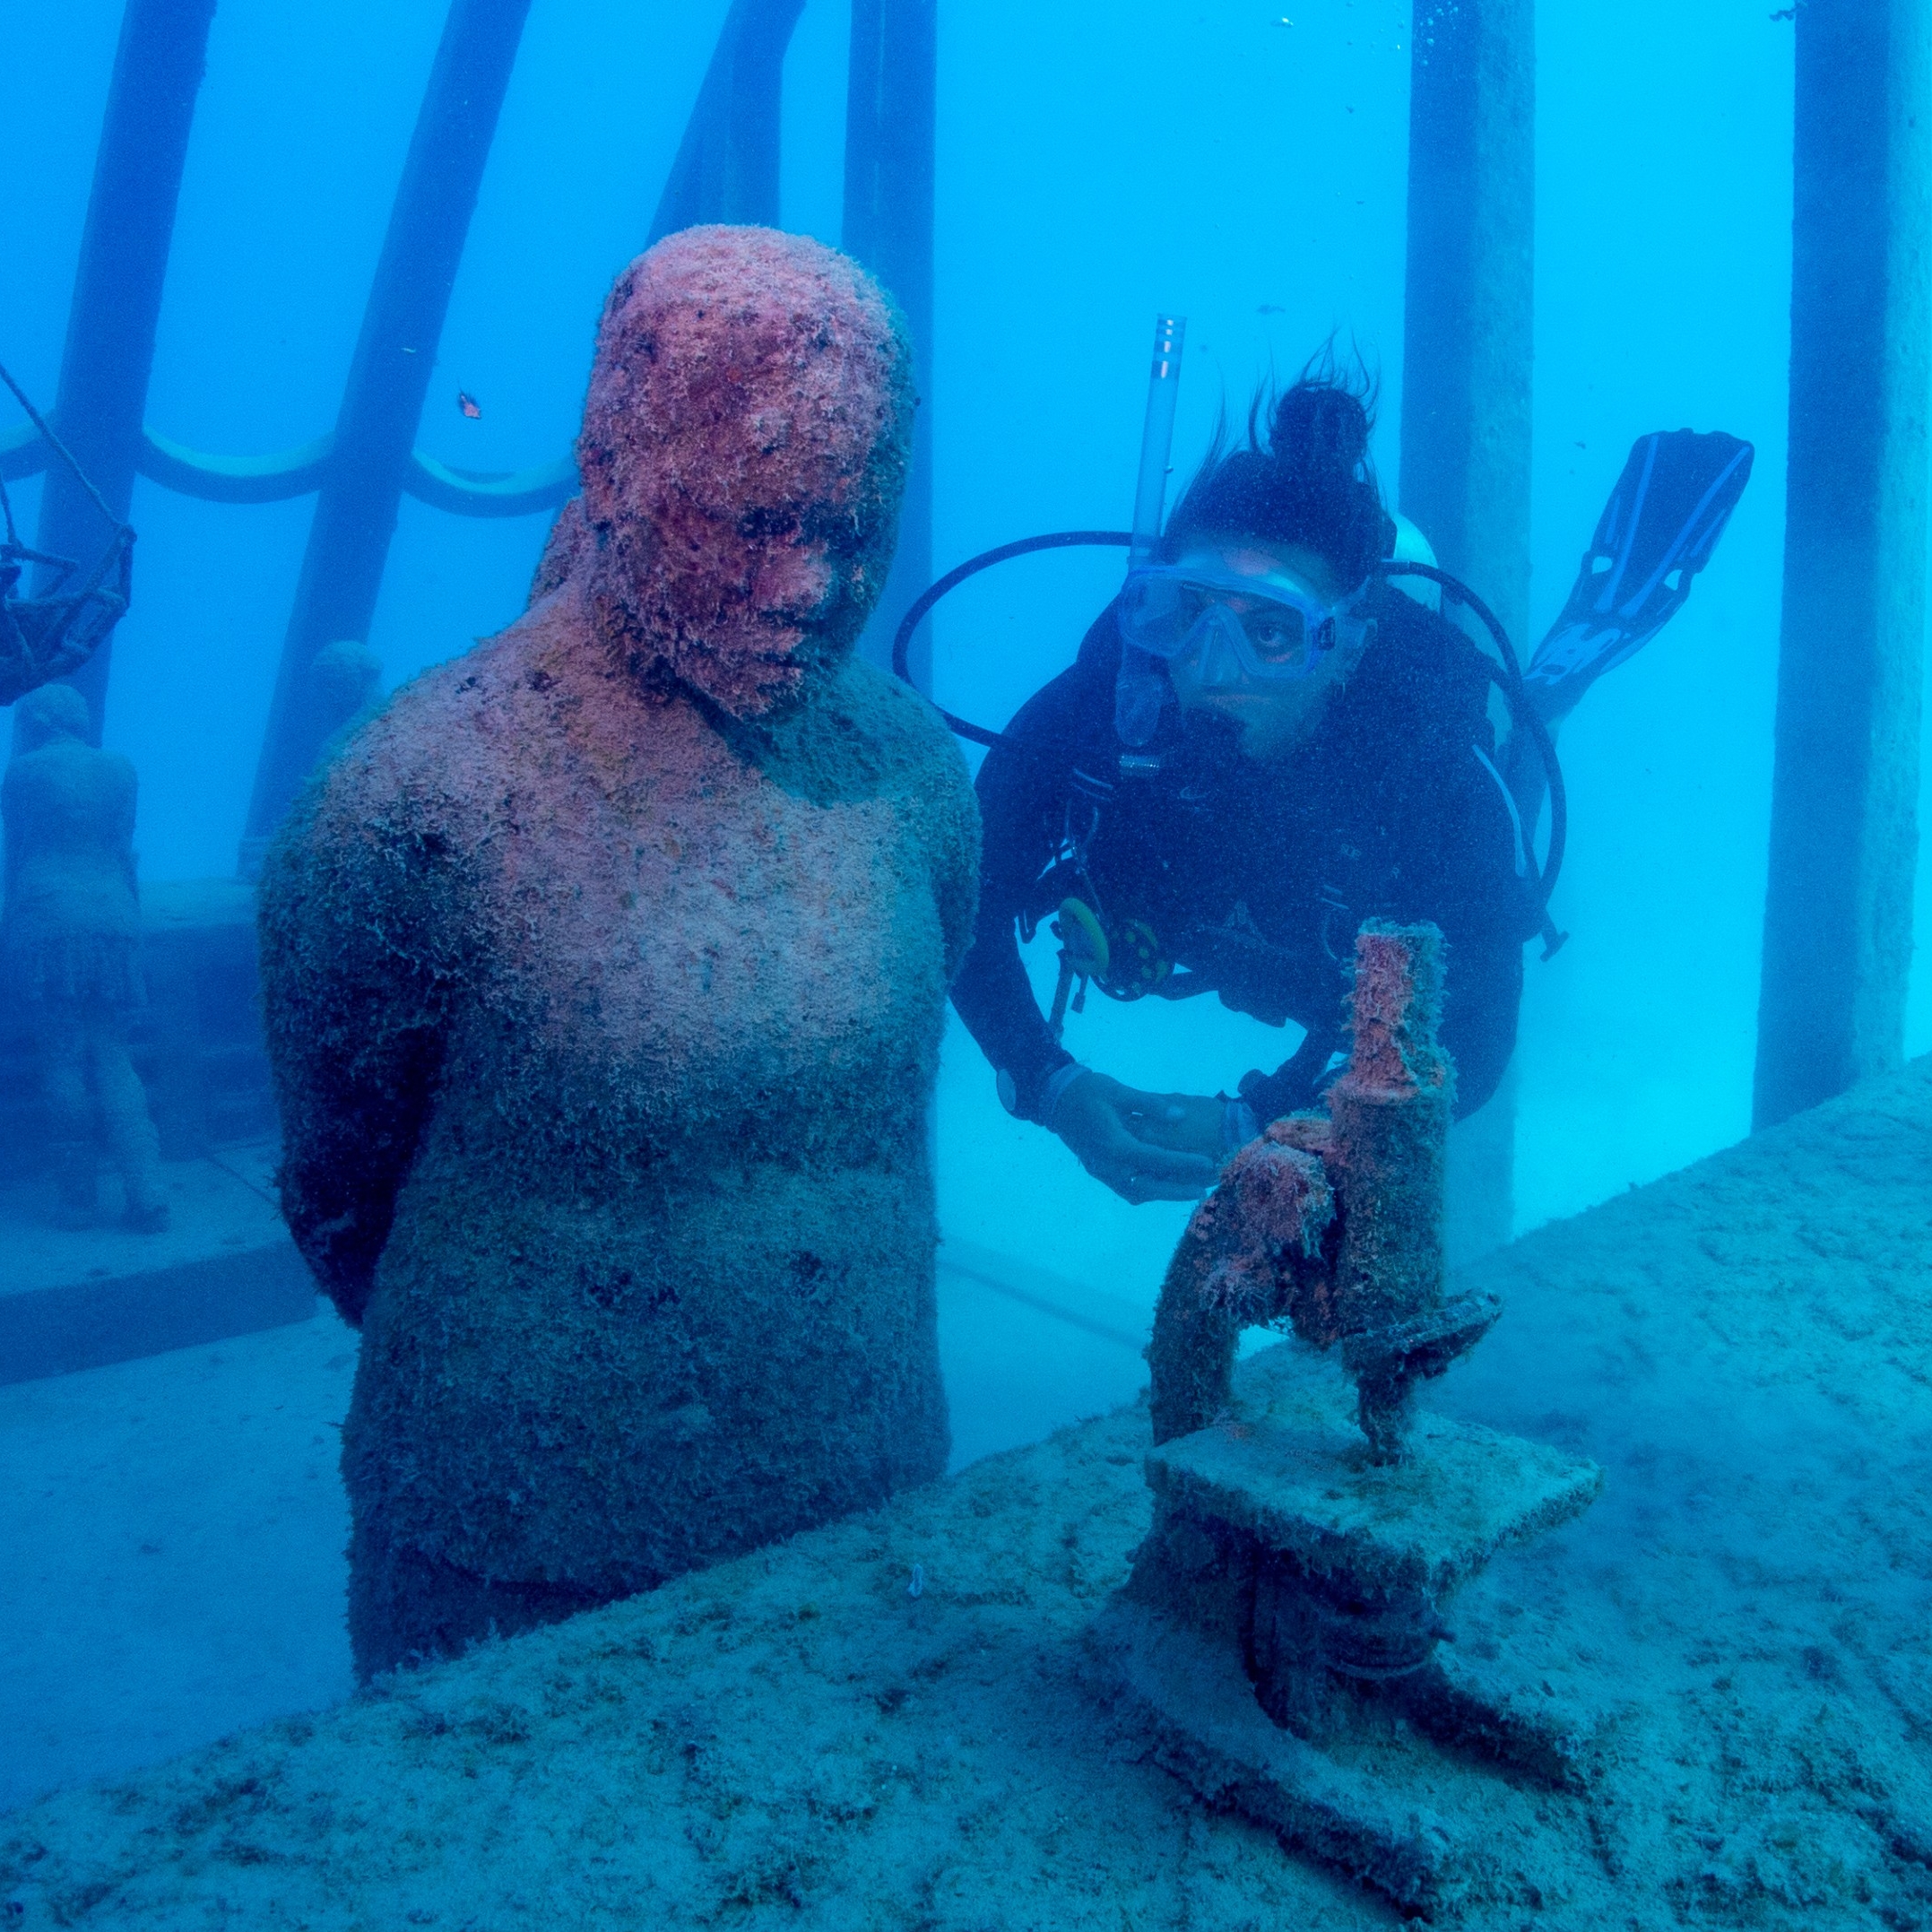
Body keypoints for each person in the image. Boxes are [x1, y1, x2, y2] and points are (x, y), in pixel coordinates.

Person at [258, 226, 979, 1676]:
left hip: (861, 1486)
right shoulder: (418, 797)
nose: (810, 588)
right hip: (512, 1530)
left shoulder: (909, 775)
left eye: (853, 532)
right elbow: (337, 1173)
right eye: (755, 523)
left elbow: (901, 1069)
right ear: (611, 469)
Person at [950, 368, 1536, 1203]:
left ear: (1345, 648)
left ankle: (1545, 708)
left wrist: (1268, 1125)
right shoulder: (1101, 711)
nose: (1211, 666)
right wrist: (1046, 1081)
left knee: (1509, 811)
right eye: (1187, 613)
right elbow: (962, 893)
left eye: (1269, 631)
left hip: (1340, 981)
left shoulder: (1426, 776)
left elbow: (1474, 1037)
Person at [2, 681, 169, 1231]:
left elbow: (17, 859)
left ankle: (78, 1202)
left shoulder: (22, 774)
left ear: (37, 722)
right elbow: (122, 852)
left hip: (47, 920)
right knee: (114, 1056)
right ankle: (148, 1194)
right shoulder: (120, 769)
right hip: (113, 919)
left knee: (63, 1058)